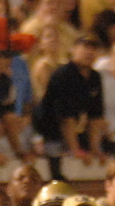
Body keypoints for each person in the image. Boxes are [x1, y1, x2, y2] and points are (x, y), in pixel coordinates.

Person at [33, 36, 107, 171]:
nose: (89, 52)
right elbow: (66, 118)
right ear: (73, 50)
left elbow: (95, 117)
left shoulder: (95, 77)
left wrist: (95, 149)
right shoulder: (64, 75)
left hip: (76, 133)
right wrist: (75, 150)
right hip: (50, 133)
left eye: (93, 49)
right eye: (85, 47)